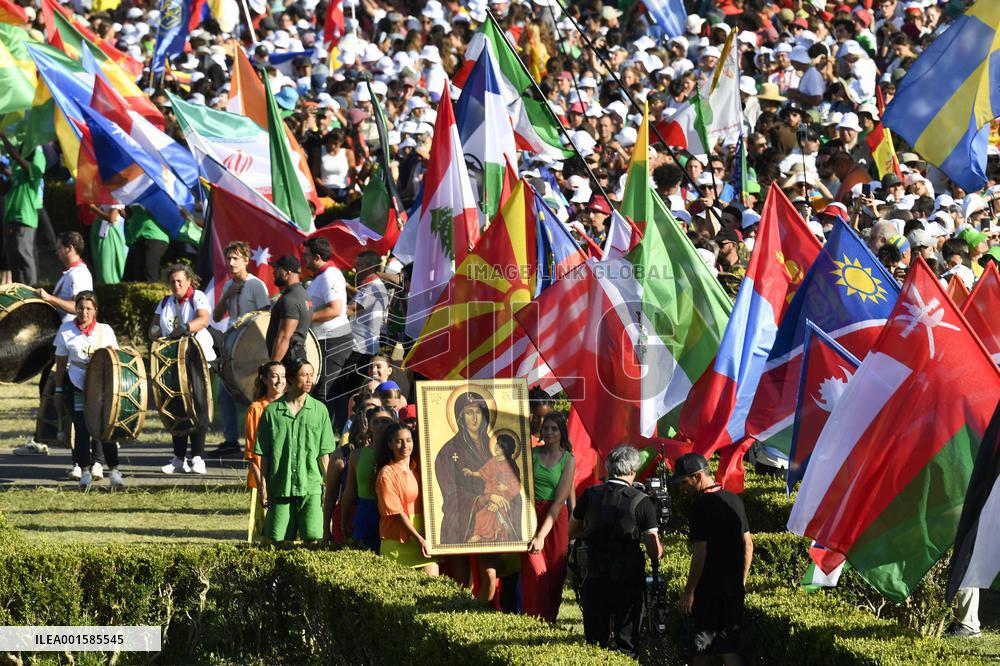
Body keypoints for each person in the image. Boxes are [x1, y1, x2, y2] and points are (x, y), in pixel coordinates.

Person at [570, 445, 663, 658]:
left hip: (595, 575)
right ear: (633, 471)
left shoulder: (590, 494)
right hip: (628, 580)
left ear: (610, 467)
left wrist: (593, 533)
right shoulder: (642, 501)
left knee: (595, 642)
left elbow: (571, 531)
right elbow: (654, 549)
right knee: (627, 644)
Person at [15, 232, 94, 458]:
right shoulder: (71, 274)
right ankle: (43, 438)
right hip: (62, 340)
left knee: (62, 391)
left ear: (69, 248)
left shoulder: (79, 275)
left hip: (73, 343)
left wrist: (50, 298)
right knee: (48, 388)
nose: (57, 252)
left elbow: (80, 307)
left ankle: (83, 439)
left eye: (59, 248)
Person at [672, 453, 753, 665]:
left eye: (684, 482)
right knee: (729, 649)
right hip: (732, 589)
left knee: (702, 651)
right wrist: (741, 581)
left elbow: (700, 553)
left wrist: (689, 592)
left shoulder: (700, 505)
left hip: (708, 591)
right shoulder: (734, 499)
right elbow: (748, 544)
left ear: (698, 476)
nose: (683, 488)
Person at [255, 359, 335, 543]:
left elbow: (324, 454)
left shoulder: (320, 410)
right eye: (304, 375)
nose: (309, 380)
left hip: (311, 487)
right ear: (291, 378)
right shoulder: (272, 412)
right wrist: (263, 486)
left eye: (312, 375)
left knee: (313, 538)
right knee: (277, 540)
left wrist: (330, 485)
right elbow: (265, 453)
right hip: (280, 486)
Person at [51, 291, 124, 487]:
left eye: (89, 308)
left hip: (101, 387)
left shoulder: (105, 330)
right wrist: (58, 390)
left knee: (106, 427)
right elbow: (60, 364)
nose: (84, 312)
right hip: (76, 384)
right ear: (75, 309)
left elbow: (115, 360)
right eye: (81, 308)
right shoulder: (65, 330)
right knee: (82, 429)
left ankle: (114, 471)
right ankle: (84, 470)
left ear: (95, 310)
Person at [151, 264, 216, 475]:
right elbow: (155, 326)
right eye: (172, 281)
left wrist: (186, 328)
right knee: (175, 406)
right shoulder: (165, 302)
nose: (176, 284)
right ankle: (178, 458)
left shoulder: (197, 296)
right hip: (173, 360)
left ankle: (197, 457)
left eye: (180, 280)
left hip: (198, 358)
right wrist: (154, 332)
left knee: (198, 405)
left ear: (189, 281)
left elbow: (203, 319)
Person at [210, 241, 271, 458]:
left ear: (246, 260)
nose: (231, 262)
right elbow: (216, 316)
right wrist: (228, 295)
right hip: (231, 345)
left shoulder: (256, 285)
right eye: (229, 258)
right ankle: (230, 440)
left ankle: (257, 441)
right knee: (224, 394)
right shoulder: (229, 285)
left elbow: (266, 314)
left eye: (236, 258)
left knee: (252, 394)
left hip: (252, 348)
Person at [523, 411, 576, 623]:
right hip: (529, 517)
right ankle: (534, 623)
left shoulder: (567, 459)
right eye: (546, 428)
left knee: (554, 578)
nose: (550, 432)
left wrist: (541, 535)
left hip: (554, 521)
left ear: (562, 432)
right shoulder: (532, 454)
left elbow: (558, 502)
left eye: (555, 428)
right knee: (535, 576)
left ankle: (549, 624)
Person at [334, 250, 388, 430]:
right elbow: (360, 298)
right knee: (349, 390)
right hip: (363, 346)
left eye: (361, 265)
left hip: (360, 347)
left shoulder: (372, 288)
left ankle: (345, 427)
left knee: (342, 390)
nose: (356, 268)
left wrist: (329, 307)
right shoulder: (372, 286)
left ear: (372, 267)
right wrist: (346, 287)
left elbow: (351, 310)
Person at [375, 422, 438, 575]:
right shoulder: (386, 474)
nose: (405, 445)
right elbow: (397, 513)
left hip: (424, 538)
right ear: (390, 444)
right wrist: (419, 539)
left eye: (408, 440)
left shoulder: (419, 469)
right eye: (399, 441)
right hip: (399, 541)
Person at [302, 237, 353, 424]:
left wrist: (304, 318)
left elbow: (335, 309)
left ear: (316, 257)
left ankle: (330, 438)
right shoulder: (321, 277)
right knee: (331, 390)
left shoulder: (330, 275)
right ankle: (340, 435)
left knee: (325, 390)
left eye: (306, 256)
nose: (303, 259)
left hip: (334, 340)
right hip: (325, 340)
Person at [341, 406, 397, 552]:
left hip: (393, 514)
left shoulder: (399, 454)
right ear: (370, 425)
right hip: (366, 512)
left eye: (385, 421)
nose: (380, 425)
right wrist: (344, 521)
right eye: (376, 422)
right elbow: (349, 492)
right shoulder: (357, 455)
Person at [244, 361, 286, 542]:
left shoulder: (292, 405)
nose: (280, 381)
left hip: (287, 477)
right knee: (263, 532)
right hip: (263, 478)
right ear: (264, 379)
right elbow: (252, 452)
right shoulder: (256, 408)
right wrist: (262, 486)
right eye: (275, 376)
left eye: (283, 376)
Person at [0, 128, 44, 285]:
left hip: (24, 219)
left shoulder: (34, 170)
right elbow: (6, 186)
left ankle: (31, 293)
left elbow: (16, 157)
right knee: (14, 263)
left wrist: (3, 137)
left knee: (24, 259)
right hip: (11, 218)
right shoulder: (18, 173)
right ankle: (20, 294)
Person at [266, 255, 313, 366]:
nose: (274, 273)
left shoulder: (290, 299)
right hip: (295, 358)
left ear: (287, 273)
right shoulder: (304, 294)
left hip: (288, 361)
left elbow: (284, 337)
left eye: (277, 269)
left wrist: (273, 367)